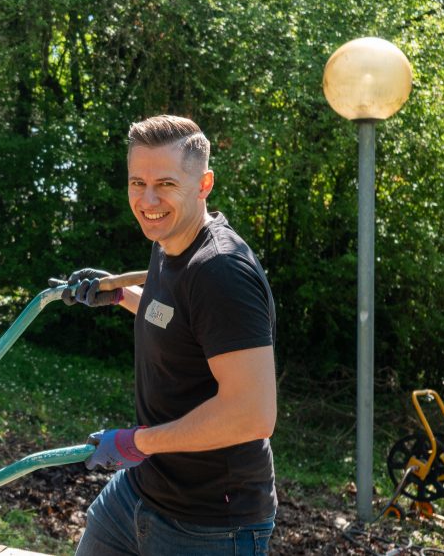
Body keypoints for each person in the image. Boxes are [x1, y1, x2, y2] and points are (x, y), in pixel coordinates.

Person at [63, 114, 277, 555]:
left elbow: (253, 414)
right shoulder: (170, 240)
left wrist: (134, 442)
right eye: (137, 183)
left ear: (203, 184)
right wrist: (121, 295)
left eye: (165, 184)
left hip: (211, 523)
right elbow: (179, 321)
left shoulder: (221, 273)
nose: (148, 199)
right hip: (141, 493)